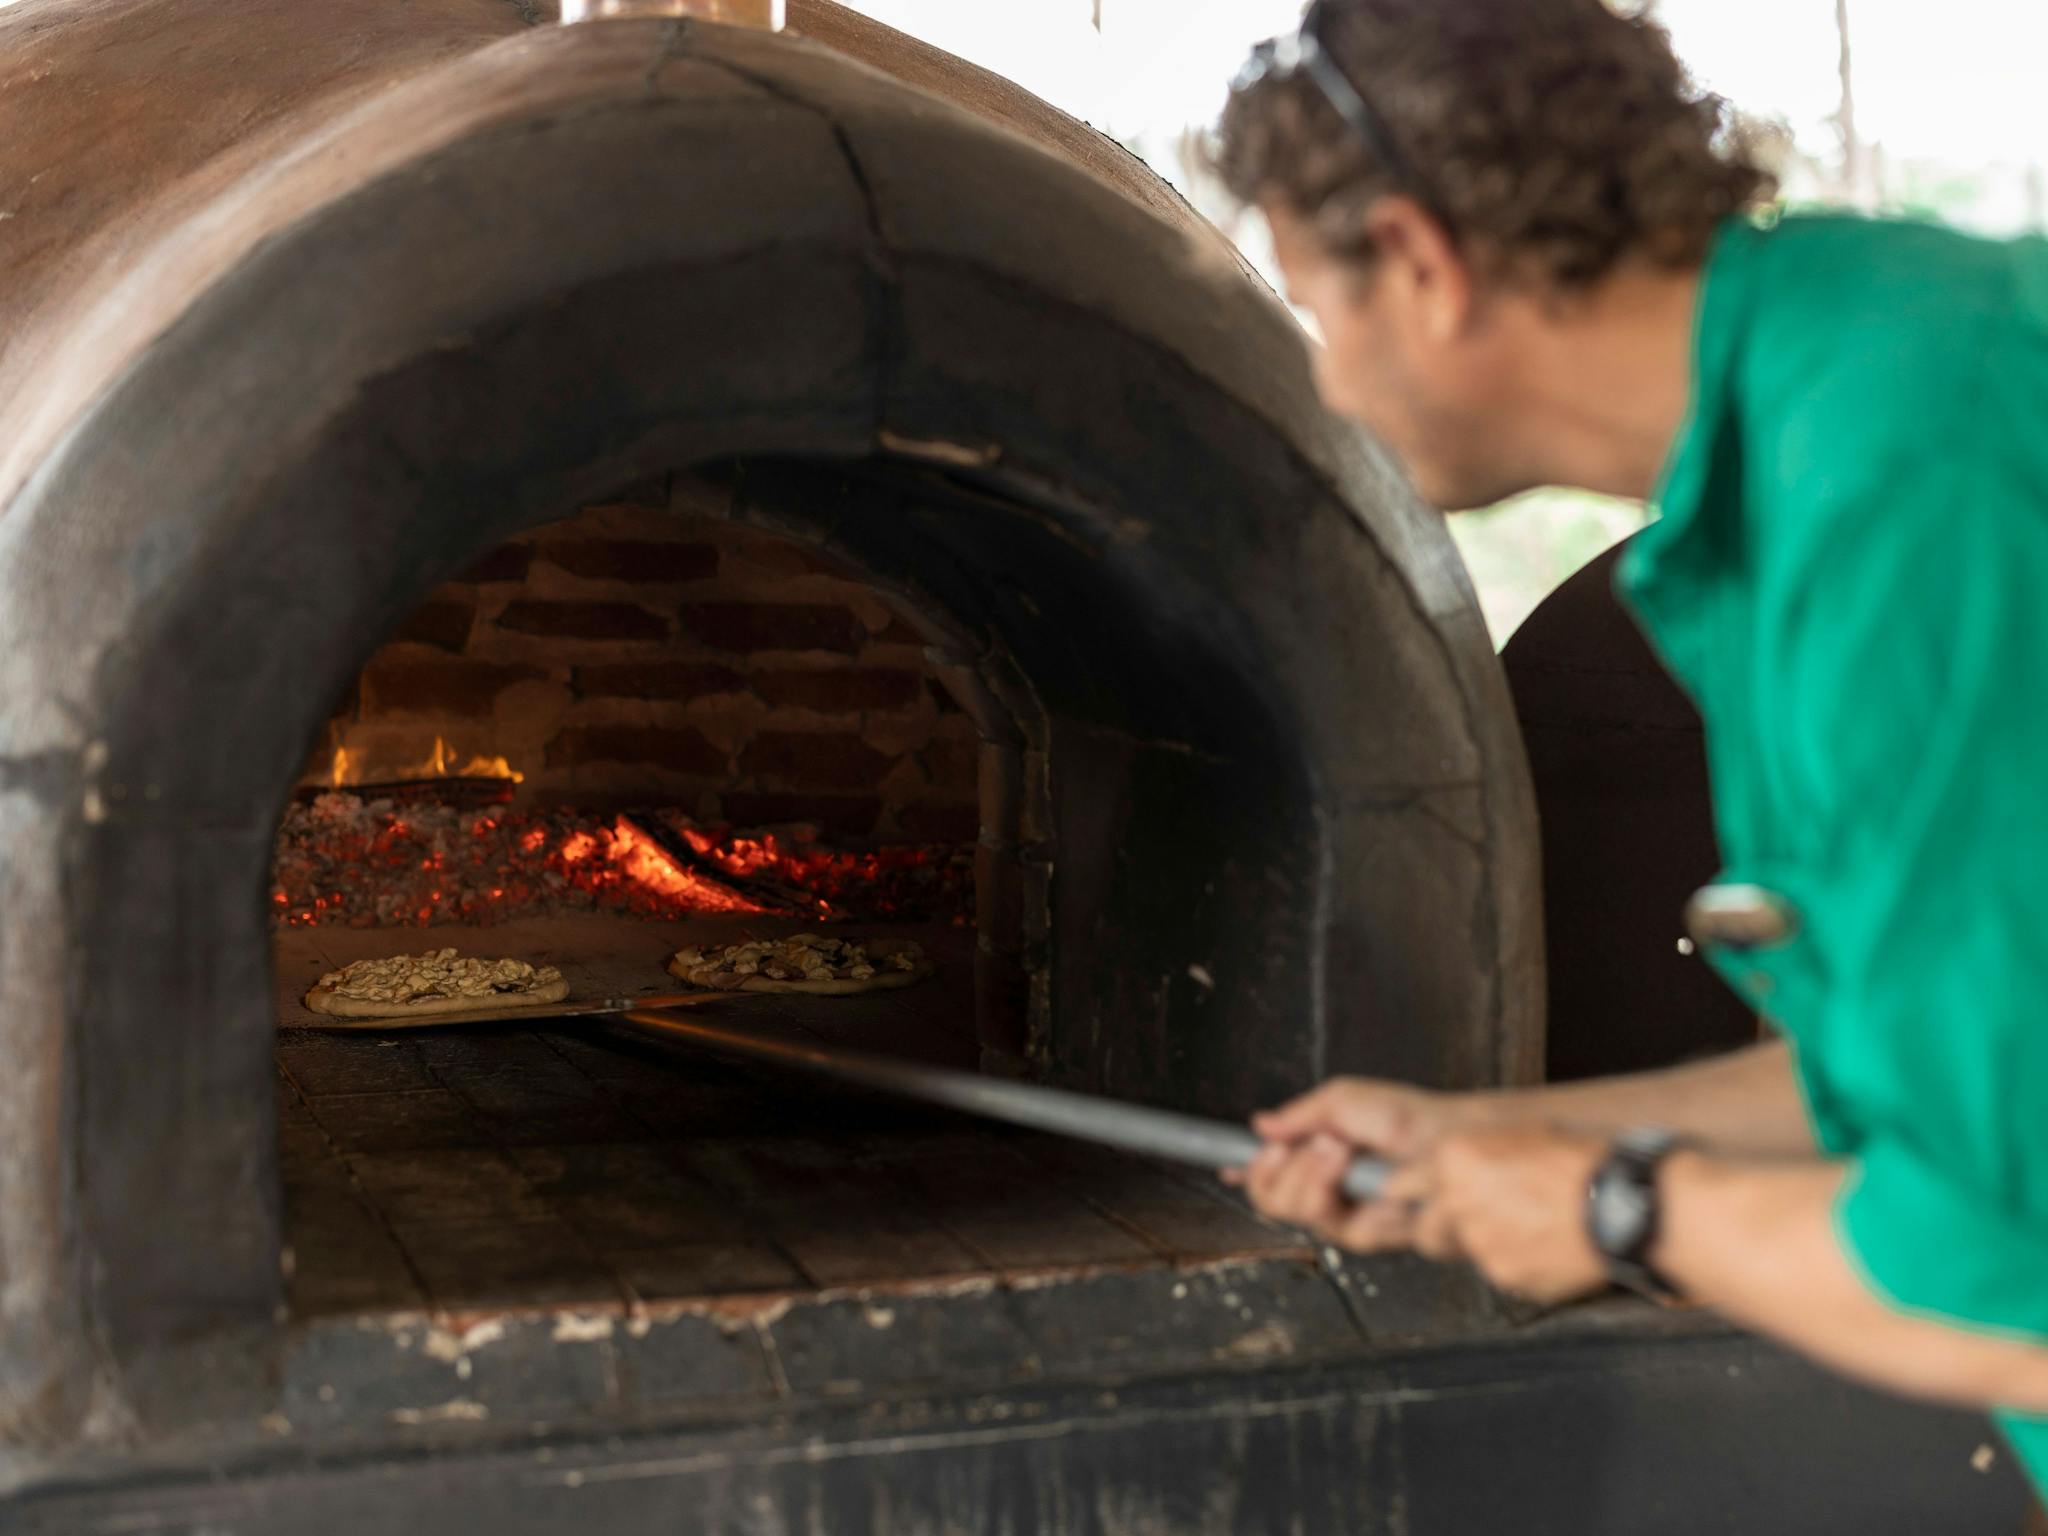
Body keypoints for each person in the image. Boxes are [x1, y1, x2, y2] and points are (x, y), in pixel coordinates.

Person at [1209, 0, 2048, 1519]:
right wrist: (1502, 1137)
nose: (1330, 382)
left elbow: (2009, 1273)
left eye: (1318, 313)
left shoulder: (1896, 475)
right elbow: (1920, 1086)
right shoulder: (1820, 415)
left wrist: (1617, 1209)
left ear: (1417, 260)